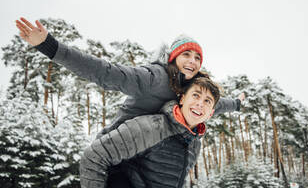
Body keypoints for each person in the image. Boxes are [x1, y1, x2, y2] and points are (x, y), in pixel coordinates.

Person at [15, 17, 245, 136]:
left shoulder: (193, 90)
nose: (193, 62)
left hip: (148, 155)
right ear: (173, 57)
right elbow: (104, 71)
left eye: (197, 58)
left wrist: (237, 103)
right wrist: (50, 46)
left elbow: (215, 104)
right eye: (186, 54)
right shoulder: (153, 77)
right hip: (117, 151)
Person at [80, 77, 220, 188]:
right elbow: (94, 156)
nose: (200, 104)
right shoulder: (152, 127)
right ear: (182, 98)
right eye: (196, 95)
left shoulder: (194, 143)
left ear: (211, 113)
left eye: (207, 101)